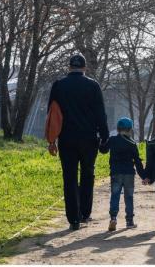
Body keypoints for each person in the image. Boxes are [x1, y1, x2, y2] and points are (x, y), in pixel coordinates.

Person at [45, 54, 109, 231]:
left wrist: (52, 139)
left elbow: (51, 113)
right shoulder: (93, 85)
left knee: (69, 177)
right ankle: (85, 213)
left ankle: (73, 218)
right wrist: (104, 136)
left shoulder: (58, 85)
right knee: (88, 173)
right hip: (89, 138)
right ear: (84, 67)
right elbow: (100, 113)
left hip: (66, 138)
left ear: (69, 67)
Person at [99, 117, 146, 231]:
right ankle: (129, 221)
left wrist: (100, 141)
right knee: (129, 197)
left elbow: (103, 150)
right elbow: (137, 161)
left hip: (116, 173)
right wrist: (144, 176)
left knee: (115, 195)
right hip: (129, 173)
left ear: (118, 129)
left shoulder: (113, 140)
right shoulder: (132, 143)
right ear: (130, 129)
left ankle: (113, 218)